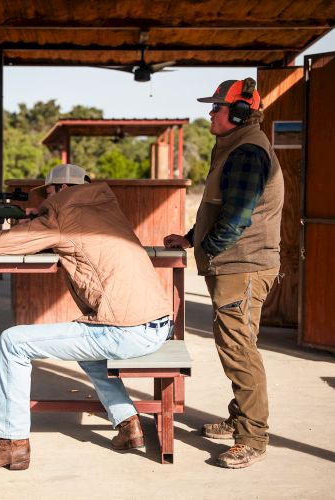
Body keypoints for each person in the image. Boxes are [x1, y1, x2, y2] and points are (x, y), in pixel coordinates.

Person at [0, 163, 173, 472]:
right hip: (157, 325)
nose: (47, 197)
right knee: (86, 349)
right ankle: (128, 423)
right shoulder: (106, 207)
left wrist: (39, 220)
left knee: (13, 342)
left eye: (48, 191)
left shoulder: (62, 212)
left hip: (126, 331)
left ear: (58, 190)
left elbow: (0, 245)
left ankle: (11, 444)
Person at [164, 78, 284, 469]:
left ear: (237, 114)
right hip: (237, 264)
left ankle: (252, 437)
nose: (210, 113)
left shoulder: (247, 151)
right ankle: (240, 420)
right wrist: (189, 238)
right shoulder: (236, 146)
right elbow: (223, 208)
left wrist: (207, 247)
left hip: (242, 266)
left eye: (216, 107)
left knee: (239, 350)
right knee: (237, 345)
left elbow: (236, 219)